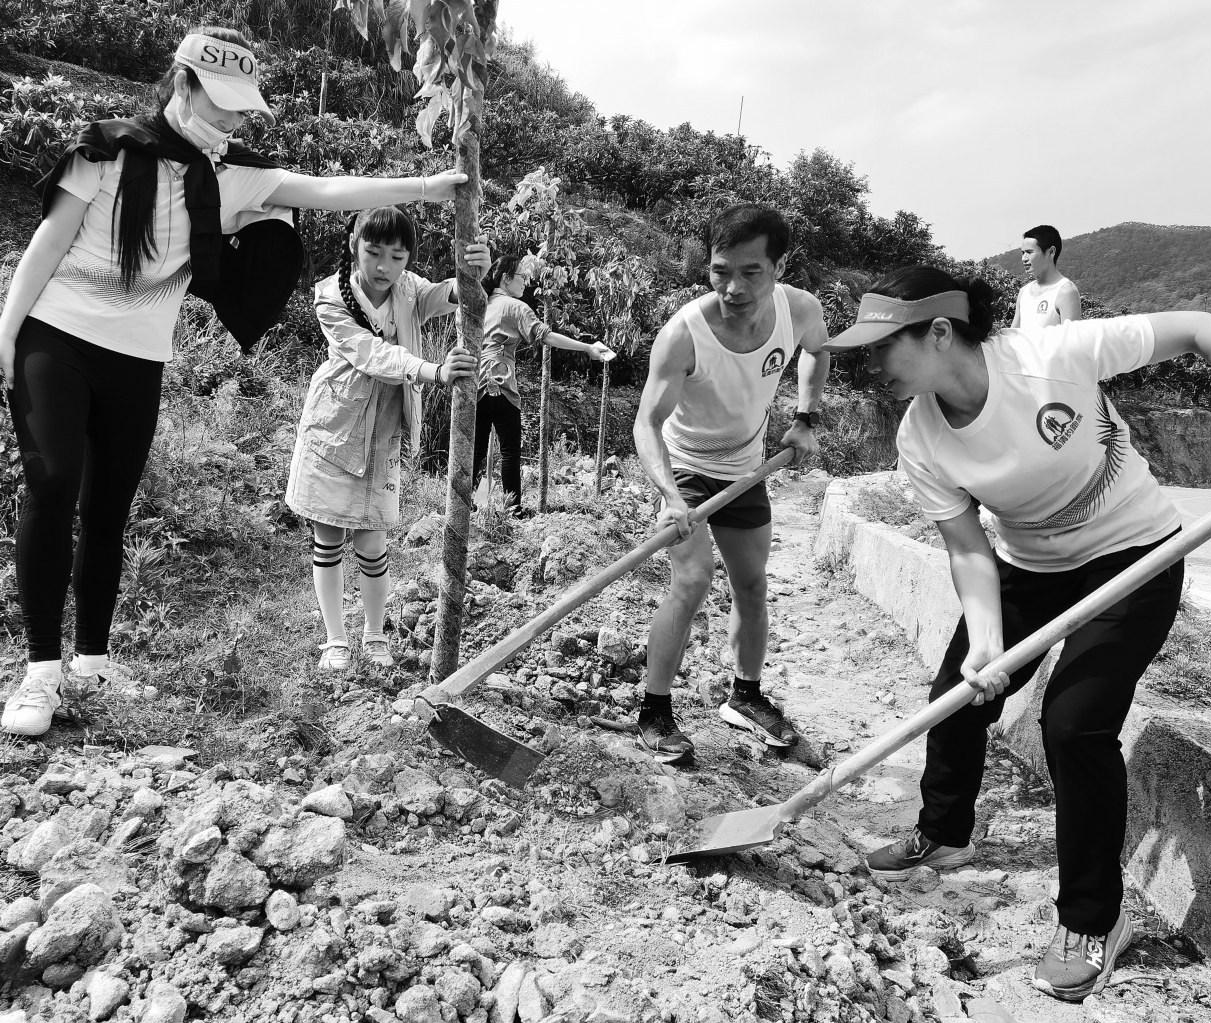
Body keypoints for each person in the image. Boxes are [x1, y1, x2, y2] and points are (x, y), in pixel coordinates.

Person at [823, 265, 1211, 1002]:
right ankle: (945, 830)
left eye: (881, 347)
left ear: (940, 332)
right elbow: (968, 546)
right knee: (956, 692)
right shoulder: (920, 434)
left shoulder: (1052, 356)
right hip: (1027, 565)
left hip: (1134, 555)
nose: (869, 365)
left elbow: (1200, 328)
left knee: (1073, 724)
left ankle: (1090, 919)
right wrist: (985, 641)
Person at [0, 27, 468, 737]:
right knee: (51, 488)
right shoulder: (106, 149)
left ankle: (92, 660)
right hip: (58, 336)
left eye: (242, 108)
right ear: (183, 83)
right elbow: (46, 242)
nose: (231, 119)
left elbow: (324, 190)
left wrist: (427, 188)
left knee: (108, 508)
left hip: (138, 357)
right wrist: (4, 336)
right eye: (221, 102)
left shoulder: (230, 175)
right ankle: (40, 671)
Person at [631, 204, 830, 764]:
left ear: (778, 267)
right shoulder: (684, 335)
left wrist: (805, 417)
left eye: (751, 272)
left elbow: (818, 353)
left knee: (751, 584)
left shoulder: (800, 311)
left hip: (746, 466)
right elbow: (646, 424)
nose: (733, 287)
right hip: (687, 467)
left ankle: (744, 697)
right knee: (691, 582)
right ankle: (654, 711)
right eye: (721, 270)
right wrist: (671, 498)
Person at [286, 208, 487, 669]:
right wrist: (431, 371)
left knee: (374, 543)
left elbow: (447, 295)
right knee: (329, 537)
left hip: (384, 435)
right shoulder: (330, 298)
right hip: (335, 430)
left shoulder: (409, 288)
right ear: (354, 244)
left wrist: (473, 272)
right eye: (373, 252)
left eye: (397, 256)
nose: (383, 267)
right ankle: (335, 639)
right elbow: (370, 354)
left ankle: (374, 634)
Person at [474, 252, 612, 516]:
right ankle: (512, 511)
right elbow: (546, 337)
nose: (525, 282)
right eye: (521, 277)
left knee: (477, 449)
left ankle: (462, 505)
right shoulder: (516, 307)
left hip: (478, 383)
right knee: (510, 451)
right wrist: (587, 348)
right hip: (501, 381)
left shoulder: (484, 304)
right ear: (505, 278)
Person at [1012, 225, 1082, 330]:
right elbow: (1012, 335)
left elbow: (1071, 341)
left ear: (1051, 252)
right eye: (1023, 253)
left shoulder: (1066, 291)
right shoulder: (1023, 292)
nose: (1024, 258)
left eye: (1029, 252)